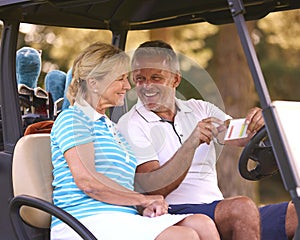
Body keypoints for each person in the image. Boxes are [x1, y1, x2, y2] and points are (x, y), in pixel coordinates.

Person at [117, 40, 297, 240]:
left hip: (216, 208)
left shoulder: (199, 109)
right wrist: (191, 144)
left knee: (295, 212)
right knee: (242, 208)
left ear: (175, 80)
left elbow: (240, 135)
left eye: (156, 78)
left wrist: (259, 122)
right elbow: (153, 187)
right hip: (174, 212)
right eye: (140, 79)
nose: (146, 86)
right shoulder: (131, 124)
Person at [50, 41, 221, 240]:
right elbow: (88, 182)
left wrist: (142, 205)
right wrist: (142, 200)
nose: (127, 86)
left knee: (202, 224)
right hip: (85, 221)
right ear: (94, 83)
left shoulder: (111, 128)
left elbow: (120, 185)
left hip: (121, 218)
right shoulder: (75, 119)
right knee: (185, 236)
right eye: (120, 79)